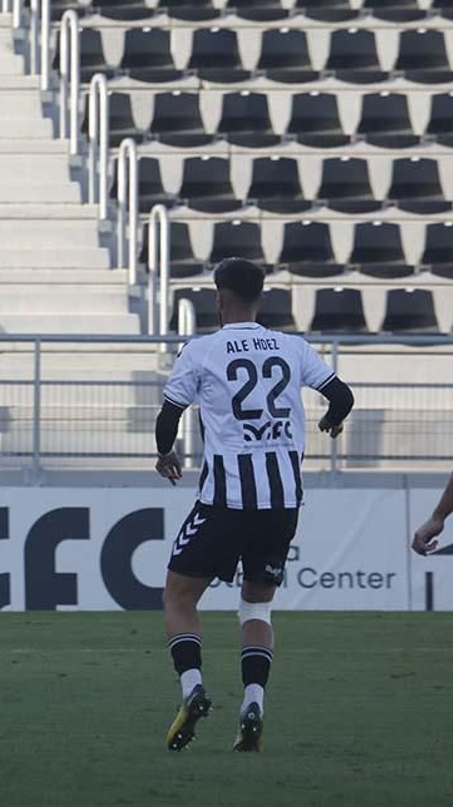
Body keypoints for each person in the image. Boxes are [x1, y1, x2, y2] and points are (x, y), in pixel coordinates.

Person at [153, 258, 355, 753]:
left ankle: (192, 687)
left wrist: (165, 454)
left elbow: (169, 416)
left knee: (180, 598)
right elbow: (343, 396)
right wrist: (330, 420)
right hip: (282, 500)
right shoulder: (292, 347)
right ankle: (254, 700)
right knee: (257, 604)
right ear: (260, 298)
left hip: (226, 499)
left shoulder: (201, 350)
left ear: (220, 298)